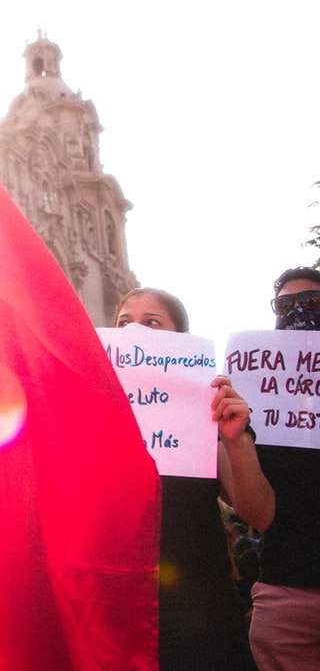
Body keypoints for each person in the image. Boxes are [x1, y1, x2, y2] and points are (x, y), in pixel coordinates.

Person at [115, 287, 271, 671]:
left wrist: (235, 441)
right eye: (123, 323)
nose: (135, 332)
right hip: (113, 608)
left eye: (152, 322)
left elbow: (259, 513)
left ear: (181, 343)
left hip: (197, 613)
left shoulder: (205, 418)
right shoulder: (91, 413)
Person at [249, 267, 320, 669]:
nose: (298, 312)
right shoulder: (260, 406)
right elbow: (257, 514)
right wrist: (236, 437)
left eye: (312, 302)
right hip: (288, 594)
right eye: (285, 306)